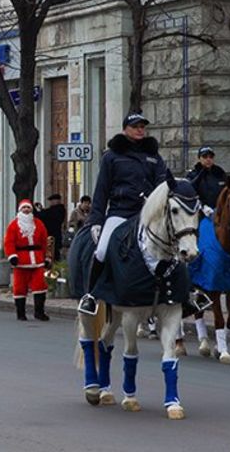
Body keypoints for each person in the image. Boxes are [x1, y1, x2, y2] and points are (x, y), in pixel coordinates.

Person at [78, 113, 169, 315]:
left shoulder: (154, 157)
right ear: (125, 129)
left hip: (147, 214)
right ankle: (90, 296)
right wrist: (96, 220)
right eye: (135, 126)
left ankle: (180, 295)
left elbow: (163, 184)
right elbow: (102, 189)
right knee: (101, 251)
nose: (140, 130)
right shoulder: (111, 156)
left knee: (171, 248)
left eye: (142, 126)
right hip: (120, 212)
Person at [4, 199, 51, 321]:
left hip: (37, 260)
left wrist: (47, 257)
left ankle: (39, 312)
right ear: (20, 210)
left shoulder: (39, 224)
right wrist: (12, 256)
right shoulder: (13, 225)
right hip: (21, 261)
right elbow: (9, 242)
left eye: (28, 208)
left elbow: (44, 242)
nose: (26, 210)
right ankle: (20, 313)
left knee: (40, 285)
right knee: (19, 287)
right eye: (24, 208)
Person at [186, 146, 227, 214]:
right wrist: (202, 206)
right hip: (199, 213)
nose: (208, 159)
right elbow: (189, 195)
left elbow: (228, 191)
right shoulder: (192, 175)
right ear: (199, 158)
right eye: (205, 157)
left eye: (211, 157)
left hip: (220, 213)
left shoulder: (220, 173)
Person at [36, 193, 66, 261]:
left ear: (57, 201)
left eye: (53, 200)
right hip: (50, 234)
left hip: (54, 235)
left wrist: (40, 211)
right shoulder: (53, 210)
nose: (51, 202)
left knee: (54, 253)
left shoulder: (59, 210)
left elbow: (47, 216)